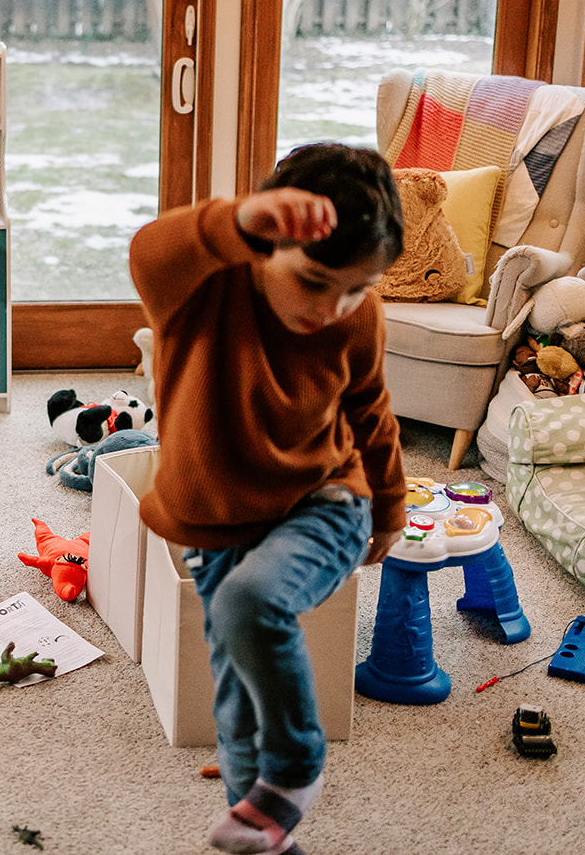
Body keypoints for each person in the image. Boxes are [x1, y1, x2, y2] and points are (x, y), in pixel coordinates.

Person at [128, 142, 408, 855]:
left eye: (356, 287)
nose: (334, 306)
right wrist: (240, 217)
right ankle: (267, 830)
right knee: (237, 705)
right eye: (315, 281)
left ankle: (296, 767)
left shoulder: (356, 316)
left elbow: (371, 409)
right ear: (259, 245)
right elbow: (152, 250)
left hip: (324, 500)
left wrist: (389, 504)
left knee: (248, 603)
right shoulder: (201, 288)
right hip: (219, 526)